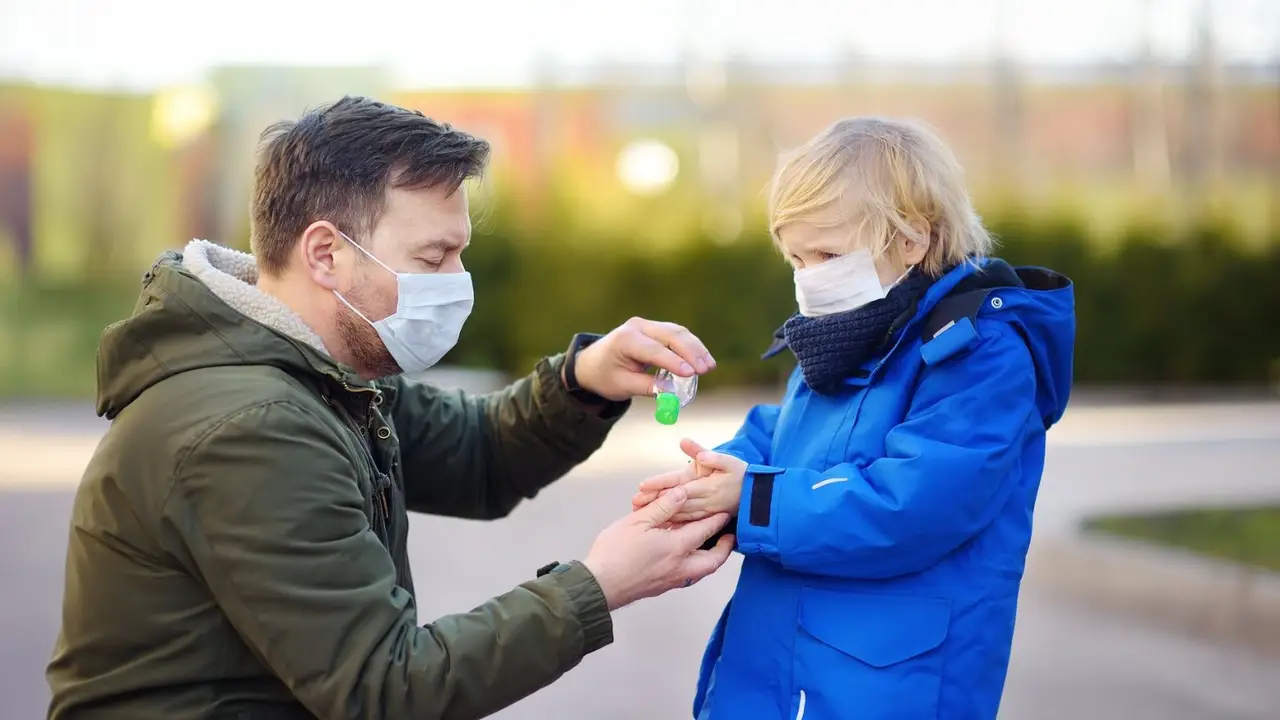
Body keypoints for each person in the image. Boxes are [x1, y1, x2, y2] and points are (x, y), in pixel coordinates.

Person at [46, 96, 736, 720]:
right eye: (434, 258)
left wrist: (586, 378)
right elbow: (385, 689)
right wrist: (597, 586)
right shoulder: (252, 428)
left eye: (461, 254)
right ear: (326, 254)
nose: (457, 283)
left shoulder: (320, 370)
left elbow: (478, 457)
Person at [633, 117, 1075, 720]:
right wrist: (718, 477)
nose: (809, 278)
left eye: (828, 254)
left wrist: (753, 500)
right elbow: (785, 431)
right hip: (778, 671)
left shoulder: (981, 357)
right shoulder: (850, 332)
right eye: (796, 258)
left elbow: (916, 504)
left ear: (913, 239)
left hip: (885, 684)